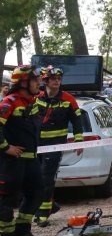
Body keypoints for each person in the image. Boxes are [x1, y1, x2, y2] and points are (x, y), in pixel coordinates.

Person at [0, 65, 46, 236]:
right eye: (35, 80)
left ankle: (22, 231)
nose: (39, 83)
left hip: (30, 160)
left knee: (37, 193)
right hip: (11, 162)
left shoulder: (31, 103)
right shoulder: (9, 102)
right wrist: (6, 147)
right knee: (6, 199)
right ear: (23, 82)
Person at [34, 66, 83, 227]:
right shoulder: (37, 97)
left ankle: (43, 213)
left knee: (46, 178)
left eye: (59, 78)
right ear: (45, 81)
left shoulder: (68, 99)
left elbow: (76, 120)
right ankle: (51, 204)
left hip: (55, 146)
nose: (57, 81)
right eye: (53, 78)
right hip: (35, 145)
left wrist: (78, 139)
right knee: (32, 178)